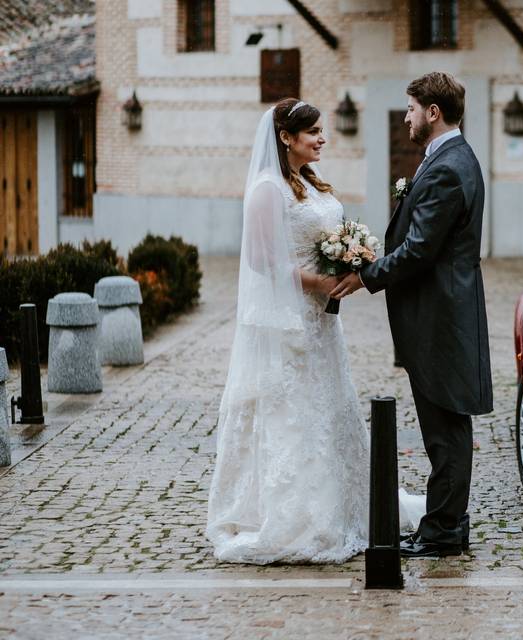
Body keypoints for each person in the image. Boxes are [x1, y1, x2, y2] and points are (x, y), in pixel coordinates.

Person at [206, 98, 424, 564]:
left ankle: (347, 505)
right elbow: (262, 262)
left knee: (331, 408)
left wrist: (357, 255)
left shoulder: (309, 182)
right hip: (291, 321)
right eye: (313, 133)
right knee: (295, 415)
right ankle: (300, 517)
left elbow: (325, 237)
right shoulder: (267, 188)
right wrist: (320, 281)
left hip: (322, 320)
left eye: (323, 131)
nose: (322, 138)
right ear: (286, 137)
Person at [331, 72, 493, 558]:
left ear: (433, 113)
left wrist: (367, 275)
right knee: (443, 425)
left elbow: (421, 248)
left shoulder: (447, 166)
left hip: (440, 314)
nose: (406, 117)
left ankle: (444, 530)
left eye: (410, 109)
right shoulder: (450, 159)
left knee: (445, 427)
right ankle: (446, 523)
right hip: (440, 310)